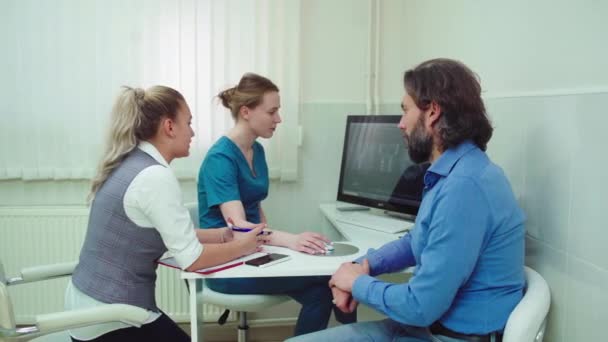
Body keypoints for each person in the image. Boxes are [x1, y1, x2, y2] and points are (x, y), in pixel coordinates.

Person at [288, 58, 526, 342]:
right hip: (422, 328)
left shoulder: (464, 188)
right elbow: (418, 239)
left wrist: (356, 283)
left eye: (405, 111)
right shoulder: (455, 172)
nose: (400, 124)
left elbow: (419, 306)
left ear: (433, 112)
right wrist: (365, 266)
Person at [66, 86, 265, 342]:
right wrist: (244, 247)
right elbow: (192, 260)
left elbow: (148, 232)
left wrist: (220, 235)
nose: (193, 132)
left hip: (89, 306)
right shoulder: (155, 176)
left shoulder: (130, 162)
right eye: (189, 123)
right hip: (112, 317)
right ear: (169, 127)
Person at [197, 72, 356, 336]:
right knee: (336, 276)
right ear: (246, 112)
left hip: (253, 254)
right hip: (225, 265)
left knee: (322, 290)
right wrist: (290, 241)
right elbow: (239, 229)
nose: (279, 119)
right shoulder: (220, 159)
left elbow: (255, 207)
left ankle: (350, 334)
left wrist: (273, 244)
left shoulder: (256, 150)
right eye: (272, 112)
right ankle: (358, 334)